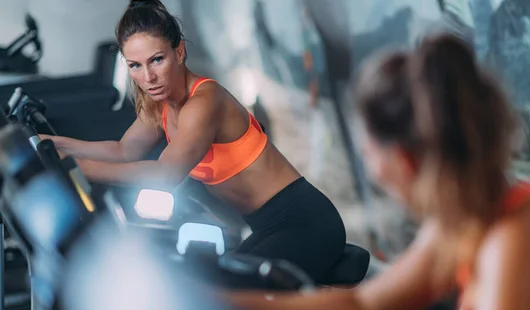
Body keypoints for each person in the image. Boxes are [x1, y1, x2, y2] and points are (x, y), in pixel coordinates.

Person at [222, 33, 530, 310]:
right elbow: (364, 306)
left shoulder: (520, 238)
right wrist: (220, 304)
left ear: (404, 160)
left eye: (375, 164)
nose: (377, 177)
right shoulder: (467, 217)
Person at [42, 0, 346, 282]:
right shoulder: (160, 103)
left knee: (229, 299)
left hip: (305, 222)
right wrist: (53, 144)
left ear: (180, 52)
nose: (148, 77)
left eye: (156, 60)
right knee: (212, 287)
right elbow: (124, 150)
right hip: (266, 226)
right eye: (135, 65)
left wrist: (74, 166)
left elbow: (166, 174)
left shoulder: (205, 100)